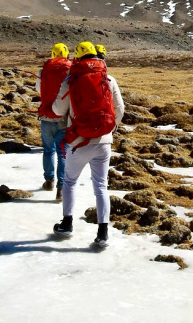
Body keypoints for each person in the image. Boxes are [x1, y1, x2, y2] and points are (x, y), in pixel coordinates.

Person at [51, 41, 124, 248]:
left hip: (79, 141)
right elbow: (120, 109)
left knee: (70, 182)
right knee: (101, 186)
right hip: (104, 141)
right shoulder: (108, 78)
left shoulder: (71, 79)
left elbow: (57, 109)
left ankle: (67, 224)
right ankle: (103, 232)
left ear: (78, 57)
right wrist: (109, 129)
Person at [37, 43, 72, 201]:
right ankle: (61, 188)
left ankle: (49, 181)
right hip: (64, 118)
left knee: (48, 150)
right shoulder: (71, 71)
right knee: (62, 153)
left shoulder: (44, 70)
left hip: (46, 117)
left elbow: (39, 89)